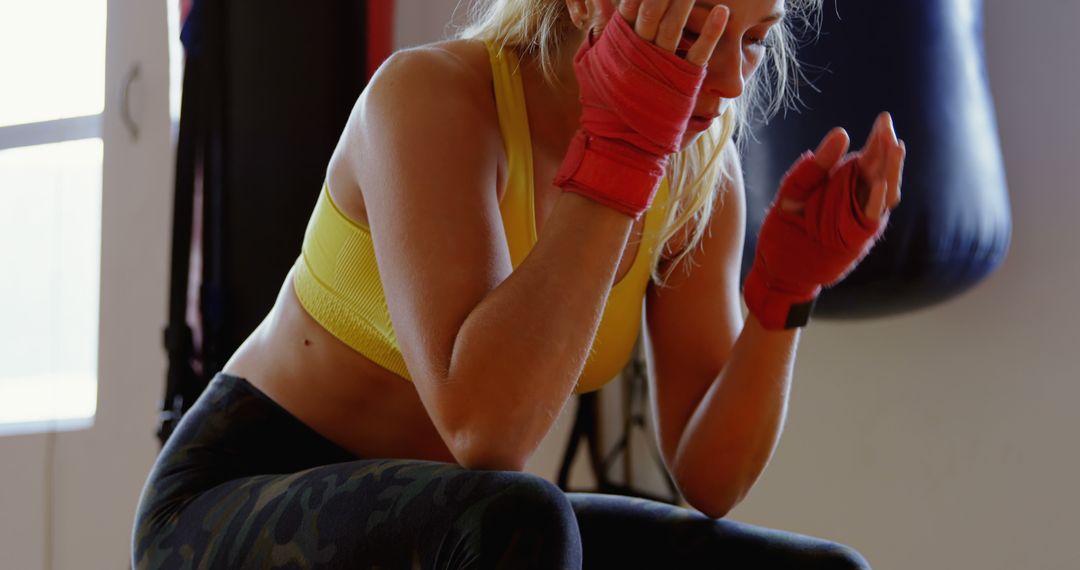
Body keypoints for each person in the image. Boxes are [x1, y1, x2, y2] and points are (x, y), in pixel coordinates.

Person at [133, 0, 904, 567]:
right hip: (231, 497)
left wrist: (780, 298)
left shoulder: (704, 173)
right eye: (699, 32)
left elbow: (709, 479)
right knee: (519, 520)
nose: (732, 81)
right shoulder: (431, 99)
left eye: (756, 42)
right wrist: (621, 154)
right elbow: (487, 431)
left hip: (454, 519)